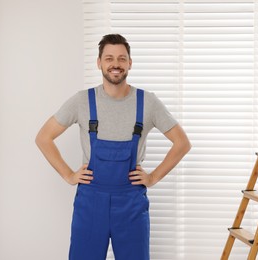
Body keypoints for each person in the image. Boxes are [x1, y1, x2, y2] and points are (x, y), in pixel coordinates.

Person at [35, 34, 191, 260]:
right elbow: (43, 137)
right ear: (99, 63)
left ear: (130, 63)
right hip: (90, 201)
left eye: (121, 58)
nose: (115, 64)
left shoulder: (147, 102)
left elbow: (182, 143)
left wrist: (153, 177)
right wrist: (68, 174)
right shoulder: (82, 101)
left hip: (131, 203)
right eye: (109, 58)